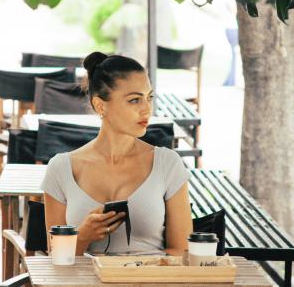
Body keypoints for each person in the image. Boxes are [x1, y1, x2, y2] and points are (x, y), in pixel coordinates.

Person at [41, 52, 193, 256]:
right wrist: (83, 237)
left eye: (149, 98)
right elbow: (55, 255)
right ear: (100, 105)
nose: (147, 109)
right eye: (134, 100)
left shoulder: (167, 163)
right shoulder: (61, 168)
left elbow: (181, 251)